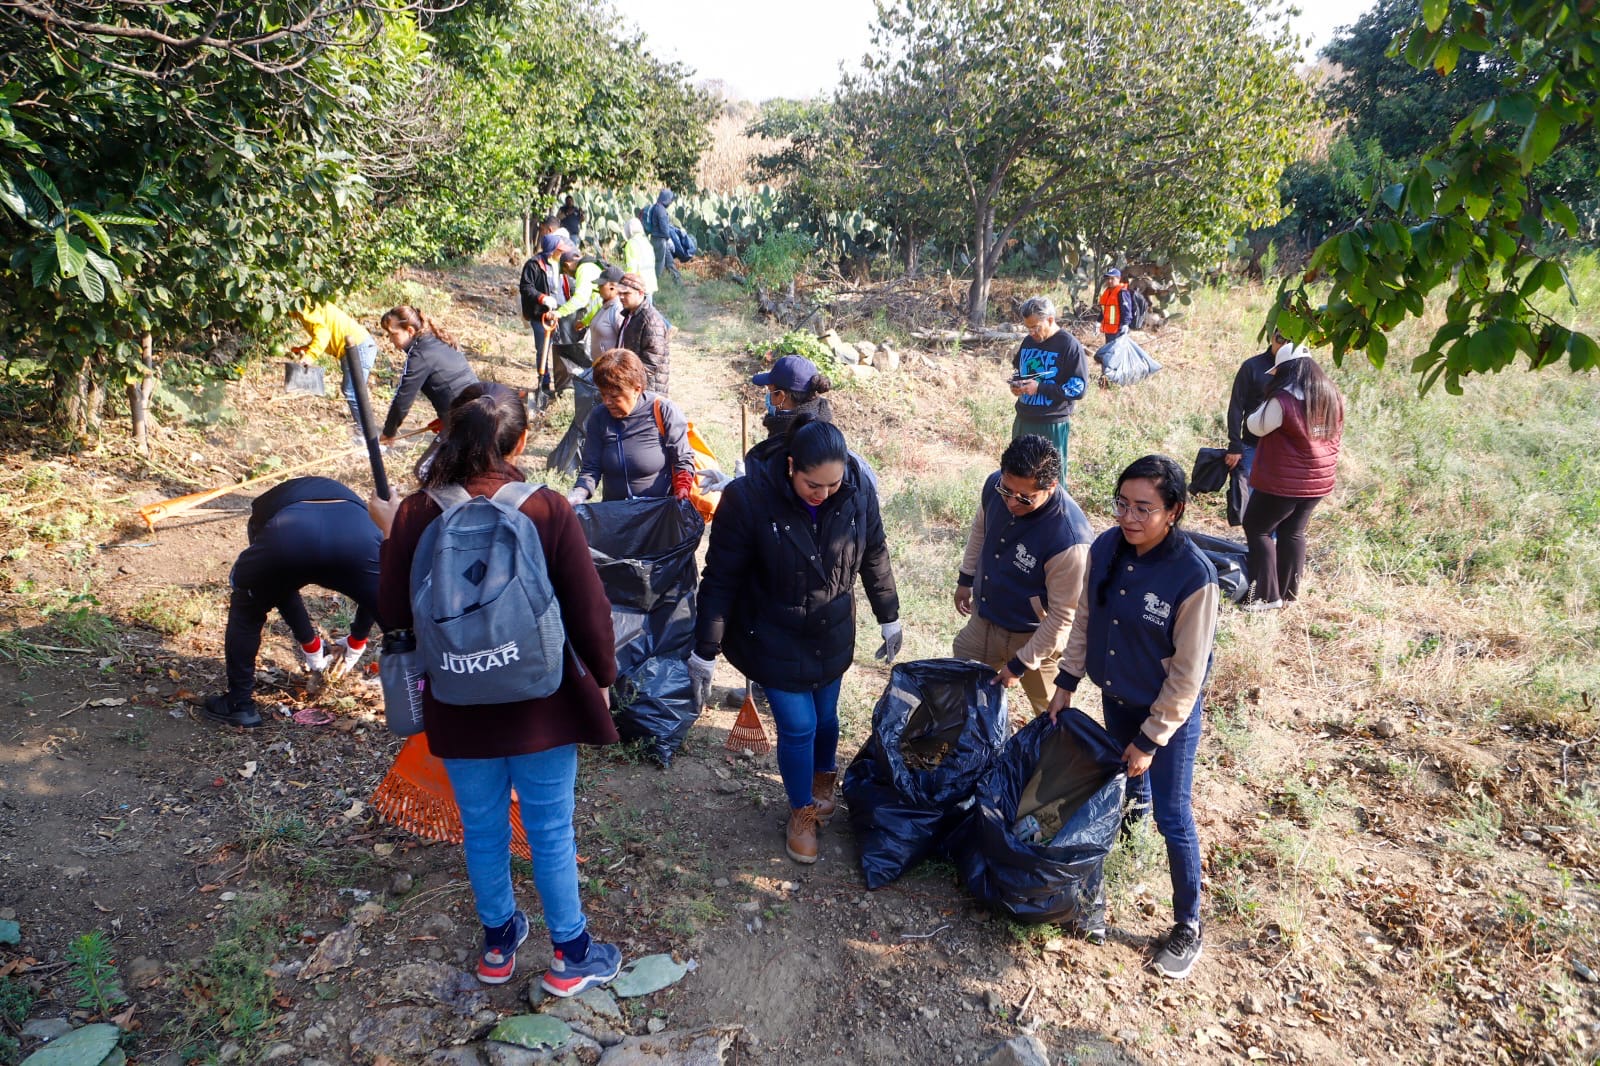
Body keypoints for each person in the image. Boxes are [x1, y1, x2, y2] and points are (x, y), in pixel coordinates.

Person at [369, 382, 624, 994]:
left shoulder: (415, 511)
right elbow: (589, 610)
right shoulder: (544, 508)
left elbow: (393, 613)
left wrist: (390, 536)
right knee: (550, 830)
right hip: (543, 701)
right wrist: (603, 677)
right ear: (522, 439)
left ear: (451, 434)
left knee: (481, 827)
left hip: (458, 700)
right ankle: (571, 954)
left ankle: (497, 946)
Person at [689, 415, 901, 865]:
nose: (823, 495)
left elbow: (875, 551)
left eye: (832, 484)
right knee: (799, 725)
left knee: (826, 719)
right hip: (774, 631)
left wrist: (889, 615)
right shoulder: (748, 500)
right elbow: (721, 578)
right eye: (812, 486)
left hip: (832, 627)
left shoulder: (857, 490)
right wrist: (705, 650)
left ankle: (823, 781)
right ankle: (801, 810)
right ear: (790, 467)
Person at [1047, 454, 1218, 980]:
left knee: (1173, 814)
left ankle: (1187, 923)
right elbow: (1084, 620)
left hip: (1167, 713)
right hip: (1116, 695)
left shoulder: (1193, 578)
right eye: (1123, 503)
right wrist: (1067, 682)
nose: (1130, 517)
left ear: (1175, 512)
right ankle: (1119, 848)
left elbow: (1187, 676)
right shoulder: (1106, 547)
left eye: (1145, 508)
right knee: (1119, 785)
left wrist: (1151, 739)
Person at [203, 476, 380, 728]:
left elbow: (278, 587)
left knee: (247, 608)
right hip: (356, 541)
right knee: (396, 615)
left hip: (287, 536)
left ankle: (239, 704)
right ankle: (418, 704)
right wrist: (357, 641)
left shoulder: (263, 515)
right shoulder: (365, 520)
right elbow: (375, 594)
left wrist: (309, 642)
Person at [953, 435, 1092, 719]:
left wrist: (1020, 664)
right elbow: (981, 529)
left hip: (1034, 634)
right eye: (1007, 490)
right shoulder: (995, 489)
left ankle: (1049, 762)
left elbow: (1061, 618)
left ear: (1051, 486)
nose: (1012, 503)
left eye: (1025, 498)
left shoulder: (1069, 540)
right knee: (959, 692)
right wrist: (966, 578)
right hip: (986, 619)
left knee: (1051, 715)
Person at [1240, 344, 1344, 609]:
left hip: (1283, 483)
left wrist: (1264, 402)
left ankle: (1265, 596)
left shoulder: (1283, 399)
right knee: (1293, 532)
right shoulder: (1332, 395)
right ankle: (1288, 595)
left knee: (1257, 528)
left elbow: (1256, 426)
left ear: (1286, 370)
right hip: (1318, 482)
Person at [568, 349, 694, 505]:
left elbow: (683, 460)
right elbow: (591, 468)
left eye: (614, 396)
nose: (607, 402)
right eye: (603, 394)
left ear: (637, 389)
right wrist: (579, 494)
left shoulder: (663, 411)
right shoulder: (599, 417)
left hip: (658, 513)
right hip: (616, 514)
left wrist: (682, 490)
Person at [376, 306, 479, 447]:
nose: (390, 340)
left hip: (466, 420)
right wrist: (445, 418)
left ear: (410, 331)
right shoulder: (437, 339)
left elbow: (402, 400)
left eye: (393, 334)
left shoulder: (419, 355)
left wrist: (388, 433)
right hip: (478, 409)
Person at [1009, 296, 1089, 473]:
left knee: (1050, 478)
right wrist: (1016, 385)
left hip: (1051, 423)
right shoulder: (1029, 341)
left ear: (1050, 320)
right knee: (1017, 475)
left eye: (1035, 327)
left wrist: (1039, 388)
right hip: (1023, 419)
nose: (1031, 332)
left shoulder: (1069, 345)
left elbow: (1079, 388)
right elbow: (1019, 371)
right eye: (1028, 328)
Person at [288, 303, 380, 443]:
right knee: (351, 391)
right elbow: (325, 332)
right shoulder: (308, 303)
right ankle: (365, 432)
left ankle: (366, 436)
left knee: (353, 391)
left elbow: (323, 334)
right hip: (353, 348)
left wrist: (311, 355)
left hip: (358, 347)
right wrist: (306, 348)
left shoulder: (305, 305)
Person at [1225, 328, 1288, 496]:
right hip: (1252, 446)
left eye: (1290, 341)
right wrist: (1234, 445)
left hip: (1284, 450)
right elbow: (1236, 406)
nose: (1284, 345)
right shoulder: (1252, 366)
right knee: (1248, 500)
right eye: (1281, 338)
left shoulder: (1298, 371)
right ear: (1272, 337)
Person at [754, 354, 835, 438]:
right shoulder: (824, 428)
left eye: (770, 390)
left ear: (781, 397)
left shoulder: (783, 442)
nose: (768, 396)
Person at [617, 273, 670, 394]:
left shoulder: (651, 320)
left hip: (647, 388)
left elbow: (652, 362)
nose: (621, 297)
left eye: (626, 293)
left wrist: (627, 379)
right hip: (634, 384)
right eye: (620, 293)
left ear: (640, 293)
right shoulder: (630, 314)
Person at [585, 266, 626, 358]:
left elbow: (625, 342)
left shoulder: (618, 309)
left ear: (613, 287)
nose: (598, 287)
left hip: (610, 367)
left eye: (602, 284)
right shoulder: (605, 306)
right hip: (599, 365)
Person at [647, 189, 680, 284]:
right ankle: (654, 285)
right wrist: (669, 239)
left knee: (669, 261)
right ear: (666, 199)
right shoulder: (661, 210)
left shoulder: (657, 207)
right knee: (659, 264)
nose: (671, 202)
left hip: (659, 239)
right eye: (670, 199)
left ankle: (678, 282)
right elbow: (664, 227)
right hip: (659, 240)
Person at [622, 217, 659, 299]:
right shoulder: (646, 241)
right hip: (650, 281)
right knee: (648, 309)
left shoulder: (631, 243)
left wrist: (627, 283)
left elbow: (631, 267)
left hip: (639, 284)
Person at [1098, 268, 1136, 342]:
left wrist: (1126, 324)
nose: (1110, 281)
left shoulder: (1122, 292)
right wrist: (1098, 321)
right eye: (1108, 279)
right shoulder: (1107, 292)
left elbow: (1126, 310)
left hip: (1118, 329)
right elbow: (1104, 309)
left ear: (1118, 279)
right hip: (1109, 329)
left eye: (1112, 279)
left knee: (1116, 351)